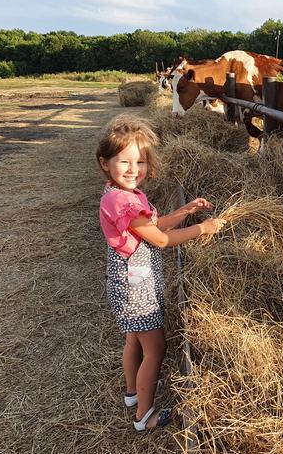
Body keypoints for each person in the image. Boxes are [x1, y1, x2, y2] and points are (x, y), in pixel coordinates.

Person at [96, 114, 226, 431]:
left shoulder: (121, 194)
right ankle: (144, 416)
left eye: (139, 162)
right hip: (136, 289)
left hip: (127, 281)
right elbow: (162, 239)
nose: (133, 169)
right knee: (155, 349)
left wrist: (184, 211)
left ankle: (131, 393)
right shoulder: (124, 202)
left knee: (134, 341)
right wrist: (202, 229)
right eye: (123, 161)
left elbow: (153, 226)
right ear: (105, 163)